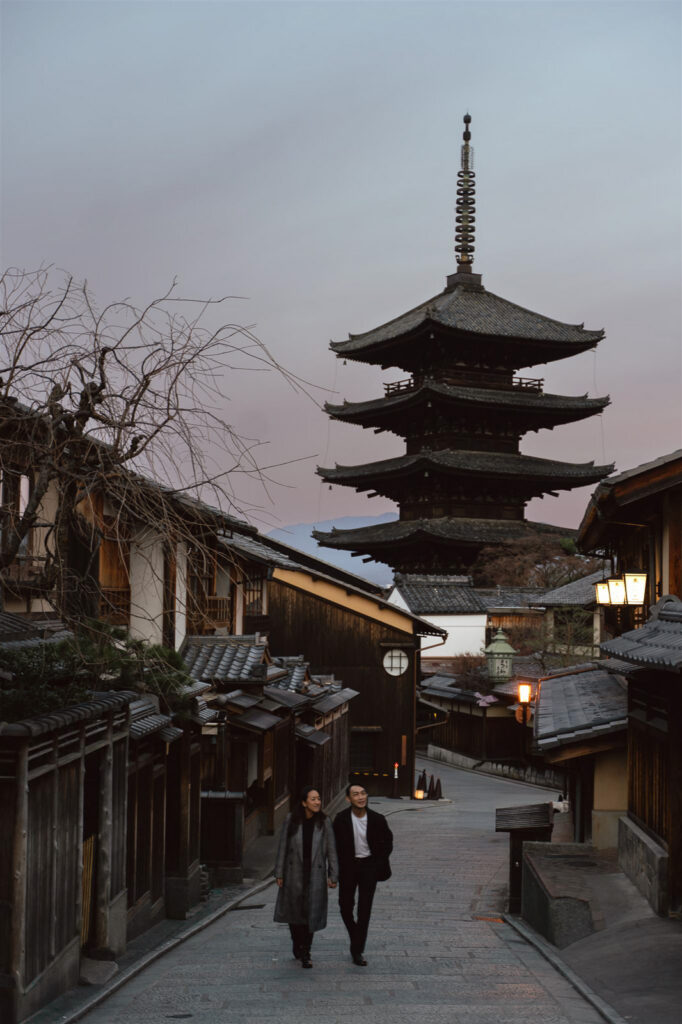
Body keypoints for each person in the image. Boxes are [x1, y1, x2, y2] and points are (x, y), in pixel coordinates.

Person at [274, 786, 338, 968]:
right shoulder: (292, 820)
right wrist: (279, 872)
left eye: (318, 798)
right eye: (313, 799)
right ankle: (297, 941)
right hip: (294, 873)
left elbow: (331, 850)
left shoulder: (324, 822)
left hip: (315, 873)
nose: (317, 802)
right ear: (304, 803)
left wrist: (333, 874)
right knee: (294, 913)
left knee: (311, 912)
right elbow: (283, 847)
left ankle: (306, 951)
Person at [333, 783, 393, 966]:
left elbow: (388, 843)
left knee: (364, 909)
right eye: (356, 794)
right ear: (348, 799)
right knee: (345, 906)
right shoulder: (341, 819)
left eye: (363, 793)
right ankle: (355, 935)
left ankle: (357, 950)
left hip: (369, 867)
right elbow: (334, 847)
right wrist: (334, 872)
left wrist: (377, 864)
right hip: (348, 867)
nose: (361, 797)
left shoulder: (377, 819)